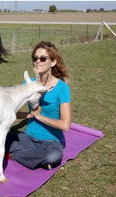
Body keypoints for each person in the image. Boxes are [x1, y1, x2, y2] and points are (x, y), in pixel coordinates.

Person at [4, 41, 72, 170]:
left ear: (53, 62)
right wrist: (28, 115)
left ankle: (12, 155)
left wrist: (39, 117)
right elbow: (8, 110)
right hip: (27, 138)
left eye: (42, 58)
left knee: (53, 156)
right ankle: (30, 157)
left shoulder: (62, 88)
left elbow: (65, 125)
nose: (37, 61)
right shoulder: (29, 83)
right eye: (35, 58)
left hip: (50, 142)